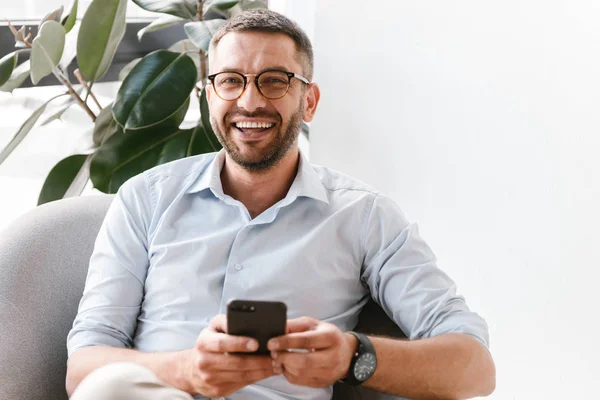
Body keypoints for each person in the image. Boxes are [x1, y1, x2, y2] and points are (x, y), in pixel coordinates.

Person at [65, 8, 495, 400]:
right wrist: (187, 371)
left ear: (308, 101)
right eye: (231, 80)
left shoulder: (365, 217)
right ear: (211, 96)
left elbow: (476, 370)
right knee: (110, 387)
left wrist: (351, 356)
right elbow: (82, 370)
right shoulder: (145, 199)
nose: (250, 102)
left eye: (275, 80)